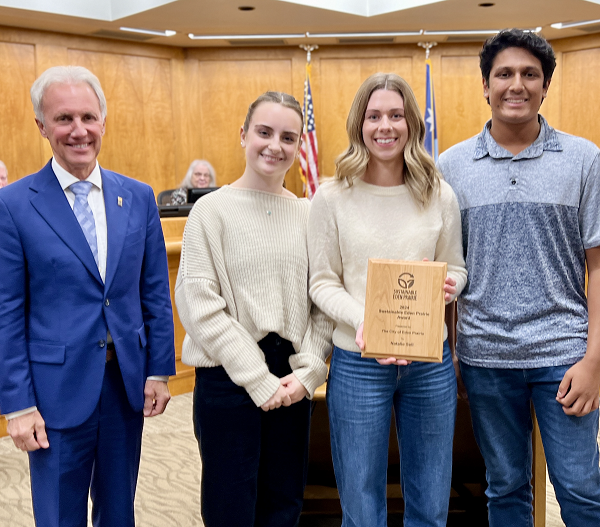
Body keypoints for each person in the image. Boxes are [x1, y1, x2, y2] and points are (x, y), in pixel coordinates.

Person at [0, 65, 176, 527]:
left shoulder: (137, 197)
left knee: (119, 513)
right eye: (63, 119)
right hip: (54, 392)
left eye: (88, 117)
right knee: (59, 515)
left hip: (125, 385)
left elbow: (154, 292)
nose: (79, 131)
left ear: (103, 119)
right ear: (41, 126)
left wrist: (160, 369)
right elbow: (7, 313)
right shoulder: (14, 204)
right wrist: (17, 405)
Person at [438, 29, 600, 527]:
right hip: (485, 357)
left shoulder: (583, 159)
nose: (516, 84)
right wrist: (452, 350)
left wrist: (595, 359)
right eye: (504, 74)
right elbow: (446, 271)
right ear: (485, 85)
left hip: (564, 356)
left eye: (530, 74)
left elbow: (598, 264)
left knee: (580, 489)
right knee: (505, 488)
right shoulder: (451, 166)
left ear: (545, 86)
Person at [307, 73, 467, 527]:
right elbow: (322, 282)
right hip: (358, 361)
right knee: (360, 506)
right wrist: (369, 321)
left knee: (431, 503)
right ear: (359, 123)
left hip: (428, 363)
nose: (386, 126)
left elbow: (456, 267)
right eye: (374, 115)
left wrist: (451, 286)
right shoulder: (332, 196)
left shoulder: (439, 194)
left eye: (396, 115)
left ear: (412, 123)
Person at [175, 91, 332, 527]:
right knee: (229, 507)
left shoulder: (308, 213)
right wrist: (257, 380)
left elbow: (322, 300)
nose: (274, 145)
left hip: (291, 378)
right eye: (264, 132)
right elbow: (200, 306)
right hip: (229, 377)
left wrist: (307, 374)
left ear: (300, 146)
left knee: (284, 504)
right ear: (244, 135)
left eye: (287, 137)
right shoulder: (210, 211)